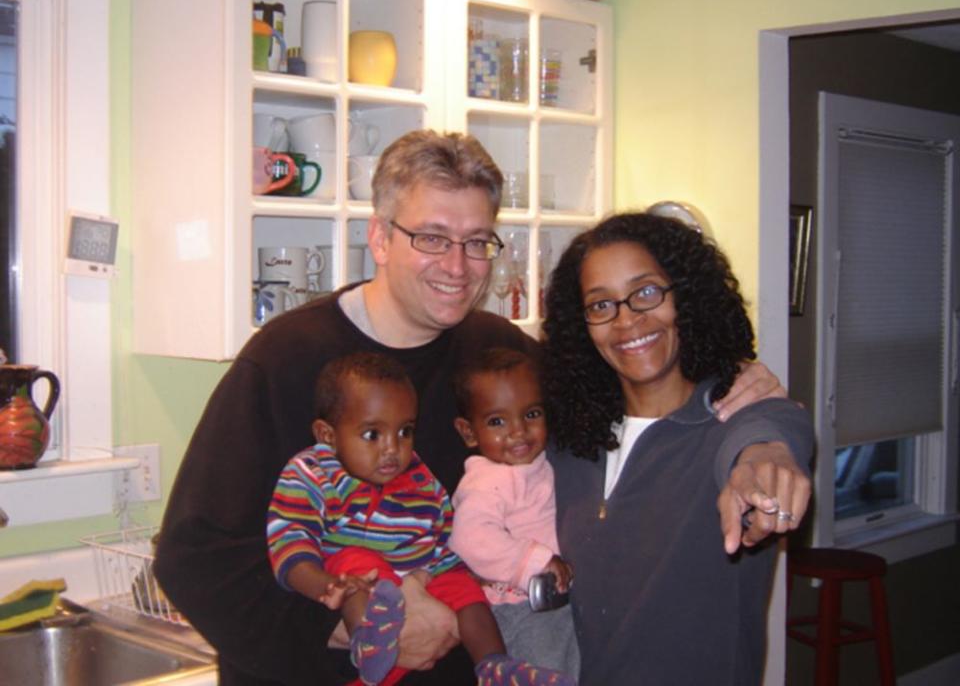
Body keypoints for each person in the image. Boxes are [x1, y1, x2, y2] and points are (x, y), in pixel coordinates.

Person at [154, 128, 791, 686]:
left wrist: (749, 398)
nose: (458, 267)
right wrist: (348, 633)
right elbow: (195, 557)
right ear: (379, 237)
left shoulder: (502, 356)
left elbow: (637, 388)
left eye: (478, 241)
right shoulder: (285, 360)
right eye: (432, 238)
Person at [541, 212, 814, 685]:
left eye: (646, 292)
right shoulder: (567, 442)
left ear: (684, 296)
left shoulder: (736, 417)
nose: (627, 320)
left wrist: (764, 464)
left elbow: (772, 432)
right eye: (601, 305)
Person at [266, 352, 575, 686]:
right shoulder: (312, 473)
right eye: (373, 435)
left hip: (420, 579)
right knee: (357, 564)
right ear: (327, 435)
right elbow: (289, 539)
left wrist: (454, 575)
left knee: (466, 589)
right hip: (358, 582)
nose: (391, 449)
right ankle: (367, 647)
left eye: (405, 431)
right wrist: (324, 585)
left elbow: (443, 536)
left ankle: (492, 665)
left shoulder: (418, 476)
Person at [449, 347, 579, 679]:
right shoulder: (488, 479)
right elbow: (470, 538)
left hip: (557, 604)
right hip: (521, 609)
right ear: (468, 432)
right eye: (497, 421)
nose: (518, 431)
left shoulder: (539, 463)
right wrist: (537, 560)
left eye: (531, 414)